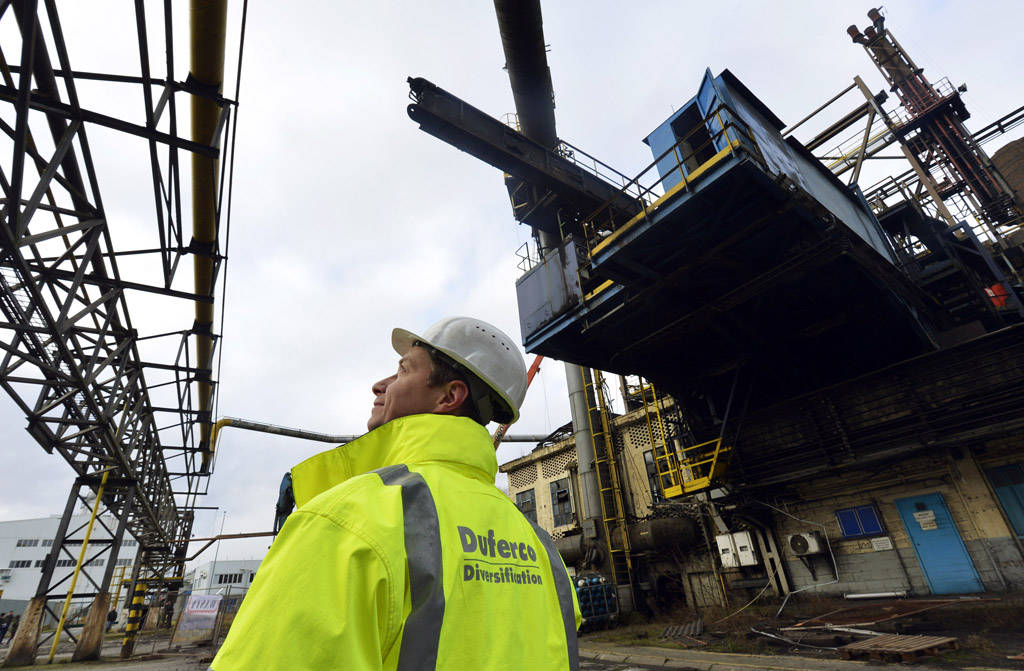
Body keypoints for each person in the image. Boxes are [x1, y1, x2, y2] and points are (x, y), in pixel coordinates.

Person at [211, 317, 580, 670]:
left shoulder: (345, 522)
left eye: (404, 370)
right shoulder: (541, 549)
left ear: (449, 396)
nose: (379, 384)